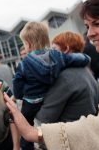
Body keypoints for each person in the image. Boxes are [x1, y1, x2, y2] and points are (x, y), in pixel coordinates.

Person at [4, 0, 99, 150]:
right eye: (87, 26)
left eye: (98, 23)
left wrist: (34, 133)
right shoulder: (92, 67)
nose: (90, 34)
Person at [13, 22, 90, 150]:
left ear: (27, 44)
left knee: (26, 123)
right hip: (49, 96)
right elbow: (76, 59)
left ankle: (27, 147)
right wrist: (86, 58)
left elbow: (17, 84)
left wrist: (20, 95)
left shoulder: (24, 64)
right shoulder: (57, 56)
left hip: (31, 101)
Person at [37, 31, 99, 124]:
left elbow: (44, 118)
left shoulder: (65, 77)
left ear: (66, 48)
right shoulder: (86, 71)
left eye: (54, 48)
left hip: (68, 135)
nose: (50, 53)